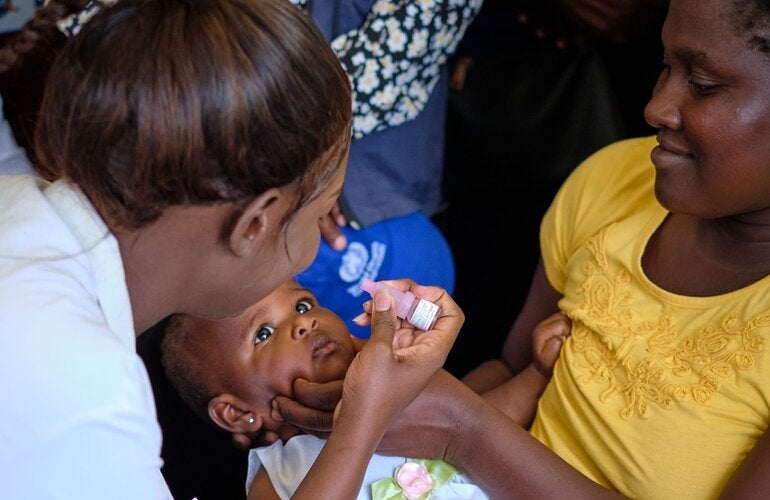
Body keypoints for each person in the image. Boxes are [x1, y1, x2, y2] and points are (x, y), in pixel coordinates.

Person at [268, 0, 770, 497]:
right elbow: (514, 373)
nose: (655, 107)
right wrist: (377, 407)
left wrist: (458, 426)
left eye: (703, 86)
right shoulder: (615, 180)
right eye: (664, 65)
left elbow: (471, 425)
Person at [0, 1, 463, 498]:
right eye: (322, 214)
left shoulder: (15, 204)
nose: (310, 257)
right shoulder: (84, 397)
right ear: (255, 223)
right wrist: (371, 420)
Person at [158, 279, 569, 499]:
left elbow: (479, 421)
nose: (304, 323)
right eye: (264, 333)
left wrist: (537, 374)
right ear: (237, 412)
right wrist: (362, 420)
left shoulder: (404, 400)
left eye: (302, 305)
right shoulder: (278, 474)